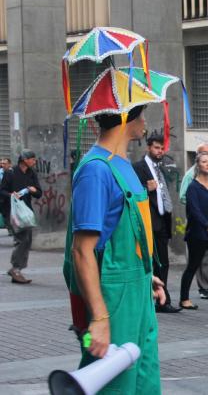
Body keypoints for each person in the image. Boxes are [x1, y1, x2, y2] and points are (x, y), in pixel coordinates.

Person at [64, 105, 166, 393]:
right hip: (114, 298)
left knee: (145, 383)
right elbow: (82, 251)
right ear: (125, 118)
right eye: (141, 114)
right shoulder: (95, 171)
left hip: (138, 291)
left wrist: (146, 276)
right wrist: (98, 317)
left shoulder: (121, 164)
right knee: (114, 386)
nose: (145, 121)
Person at [133, 134, 181, 313]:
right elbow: (131, 193)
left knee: (164, 262)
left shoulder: (160, 169)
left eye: (162, 148)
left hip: (162, 220)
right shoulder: (138, 167)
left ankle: (161, 298)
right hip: (149, 221)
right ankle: (162, 300)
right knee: (153, 262)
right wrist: (147, 189)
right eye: (156, 148)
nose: (160, 151)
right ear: (148, 148)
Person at [179, 152, 208, 310]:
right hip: (198, 234)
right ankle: (184, 299)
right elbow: (195, 211)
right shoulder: (193, 187)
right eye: (204, 161)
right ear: (197, 165)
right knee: (192, 266)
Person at [1, 150, 42, 284]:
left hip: (26, 212)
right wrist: (11, 195)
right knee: (22, 239)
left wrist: (34, 191)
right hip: (12, 211)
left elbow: (39, 193)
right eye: (32, 159)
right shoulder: (10, 172)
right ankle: (16, 269)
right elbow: (2, 191)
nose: (34, 161)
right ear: (25, 159)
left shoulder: (32, 173)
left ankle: (16, 268)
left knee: (27, 239)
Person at [0, 157, 11, 230]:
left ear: (9, 164)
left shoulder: (12, 173)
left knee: (7, 214)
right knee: (4, 214)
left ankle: (10, 229)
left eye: (4, 163)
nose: (2, 165)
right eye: (2, 163)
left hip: (8, 197)